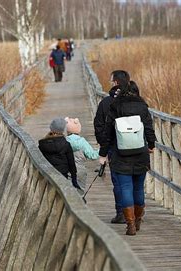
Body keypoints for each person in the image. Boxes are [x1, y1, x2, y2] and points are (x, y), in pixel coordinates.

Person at [99, 79, 156, 236]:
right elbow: (150, 130)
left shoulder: (115, 106)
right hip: (140, 153)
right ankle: (137, 220)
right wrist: (151, 145)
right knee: (138, 187)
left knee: (125, 187)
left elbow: (107, 134)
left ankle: (130, 224)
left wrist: (103, 154)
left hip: (120, 153)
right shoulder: (142, 107)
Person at [94, 70, 131, 224]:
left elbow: (99, 126)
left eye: (111, 81)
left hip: (115, 148)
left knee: (119, 181)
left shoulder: (106, 103)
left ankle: (122, 213)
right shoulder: (136, 101)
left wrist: (103, 147)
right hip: (135, 147)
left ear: (115, 83)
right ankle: (135, 213)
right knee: (133, 181)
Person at [39, 118, 80, 190]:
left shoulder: (42, 144)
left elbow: (40, 160)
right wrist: (74, 179)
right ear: (62, 130)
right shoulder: (66, 144)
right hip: (62, 175)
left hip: (47, 174)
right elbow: (71, 163)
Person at [65, 117, 99, 192]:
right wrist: (101, 151)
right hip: (80, 170)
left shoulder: (65, 141)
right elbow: (92, 155)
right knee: (80, 190)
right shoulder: (82, 142)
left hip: (68, 169)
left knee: (69, 190)